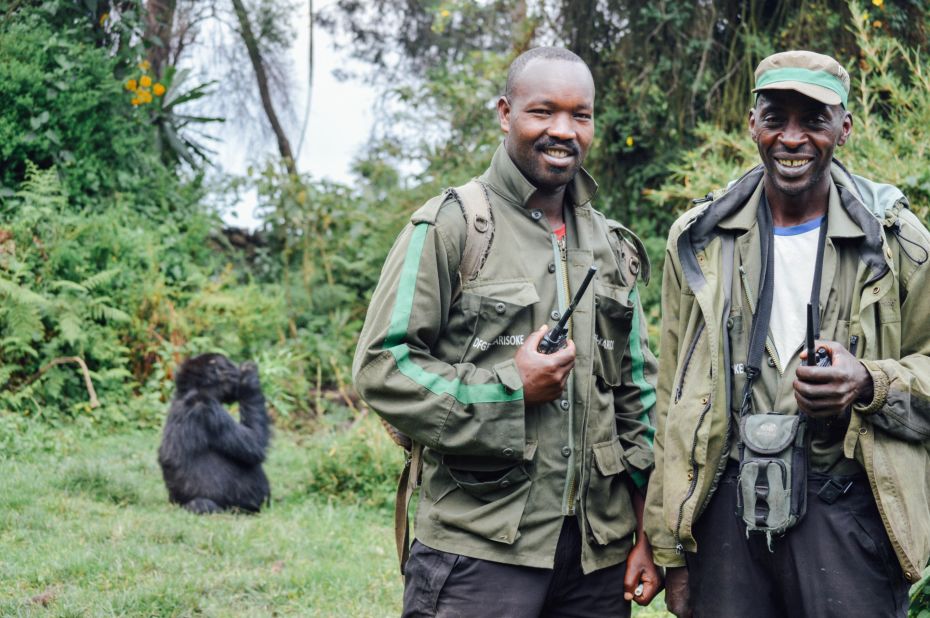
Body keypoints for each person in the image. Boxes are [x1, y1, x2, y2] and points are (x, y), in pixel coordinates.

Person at [353, 47, 660, 617]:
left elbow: (636, 397)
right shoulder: (451, 225)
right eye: (542, 111)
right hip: (478, 549)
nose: (563, 130)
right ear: (505, 113)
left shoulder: (612, 247)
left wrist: (648, 531)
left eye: (580, 115)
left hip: (596, 557)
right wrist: (508, 388)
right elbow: (382, 366)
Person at [644, 50, 930, 618]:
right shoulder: (698, 239)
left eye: (814, 121)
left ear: (844, 128)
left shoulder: (899, 243)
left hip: (849, 511)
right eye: (776, 118)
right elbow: (671, 396)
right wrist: (667, 543)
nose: (792, 139)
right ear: (753, 124)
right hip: (723, 512)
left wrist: (868, 382)